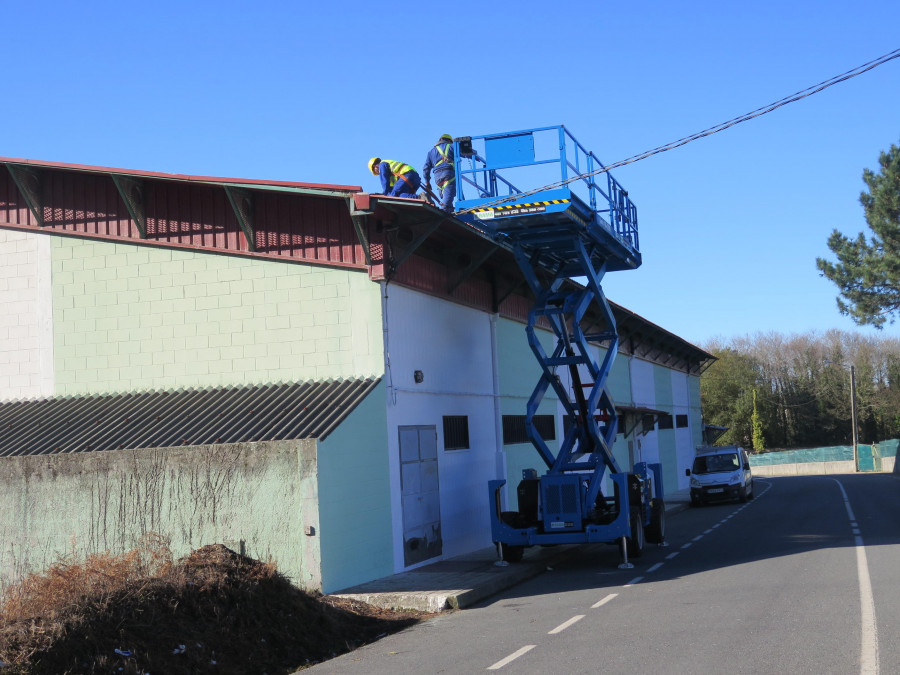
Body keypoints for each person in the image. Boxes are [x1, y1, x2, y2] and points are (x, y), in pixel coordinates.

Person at [422, 134, 457, 212]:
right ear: (449, 141)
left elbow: (426, 169)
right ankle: (444, 213)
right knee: (447, 200)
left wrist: (427, 182)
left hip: (437, 177)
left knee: (446, 197)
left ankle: (449, 211)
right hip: (448, 174)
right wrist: (472, 153)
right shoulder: (451, 146)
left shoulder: (431, 152)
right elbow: (463, 152)